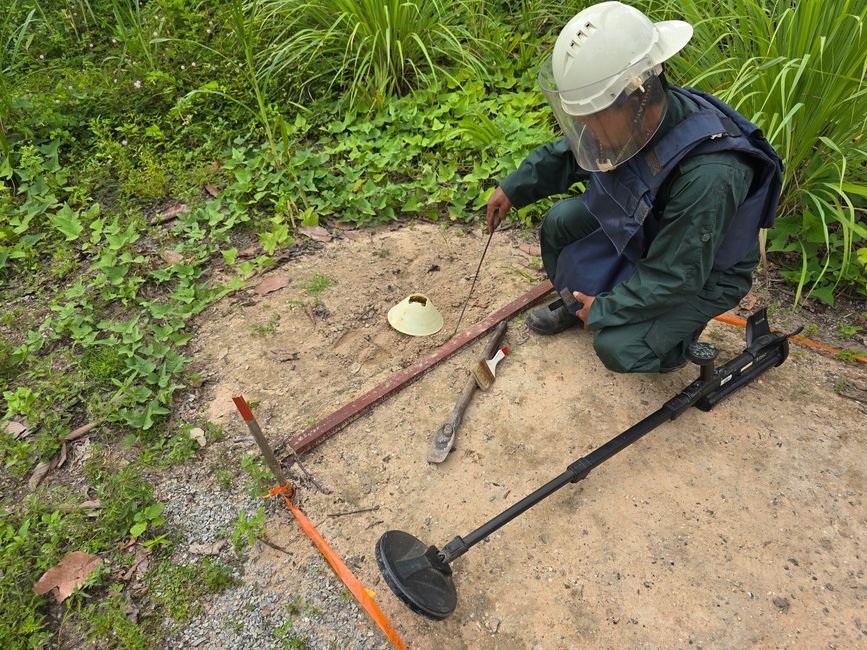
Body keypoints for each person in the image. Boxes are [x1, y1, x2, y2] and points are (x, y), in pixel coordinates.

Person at [485, 1, 783, 373]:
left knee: (619, 347)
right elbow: (574, 153)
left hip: (702, 271)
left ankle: (672, 344)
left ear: (634, 96)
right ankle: (577, 304)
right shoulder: (637, 119)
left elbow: (676, 274)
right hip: (653, 226)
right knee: (561, 222)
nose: (588, 130)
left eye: (592, 118)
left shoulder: (711, 174)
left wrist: (607, 310)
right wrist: (515, 187)